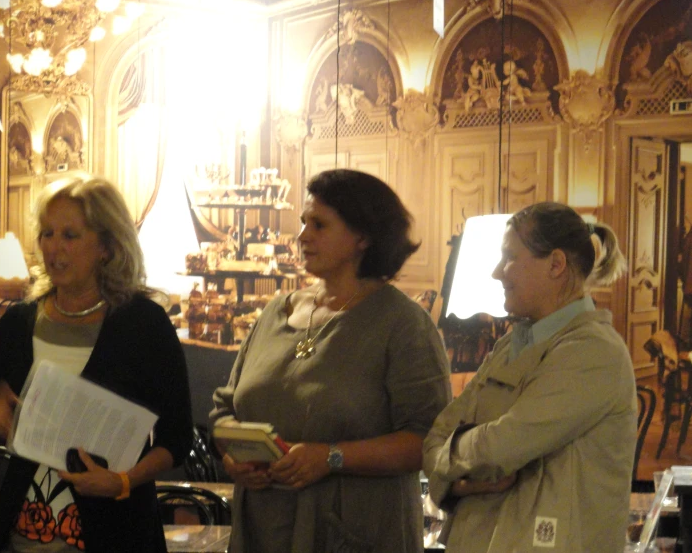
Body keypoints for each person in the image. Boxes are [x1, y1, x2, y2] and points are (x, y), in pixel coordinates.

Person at [211, 169, 451, 553]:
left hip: (354, 531)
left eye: (319, 225)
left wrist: (332, 457)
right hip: (264, 527)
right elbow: (225, 407)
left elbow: (428, 440)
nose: (303, 235)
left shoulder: (402, 324)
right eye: (304, 222)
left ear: (363, 238)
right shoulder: (276, 311)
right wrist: (234, 456)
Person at [0, 174, 193, 552]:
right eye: (47, 234)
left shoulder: (144, 324)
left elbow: (177, 438)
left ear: (106, 245)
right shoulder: (17, 323)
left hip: (116, 534)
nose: (54, 248)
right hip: (20, 538)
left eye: (70, 236)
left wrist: (123, 481)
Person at [423, 202, 635, 553]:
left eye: (508, 257)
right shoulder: (511, 343)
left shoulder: (593, 351)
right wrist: (458, 481)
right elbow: (435, 438)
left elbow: (502, 447)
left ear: (555, 264)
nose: (496, 273)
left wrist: (449, 460)